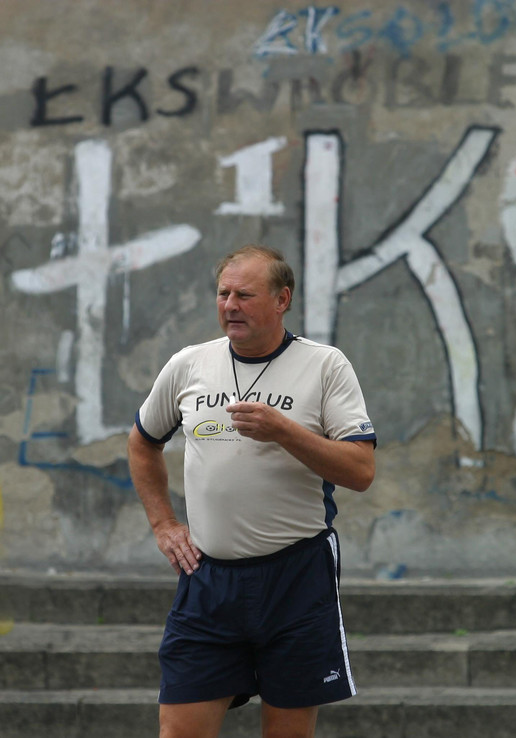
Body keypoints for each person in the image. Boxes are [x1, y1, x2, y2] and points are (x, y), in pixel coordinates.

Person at [127, 245, 376, 738]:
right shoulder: (189, 365)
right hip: (208, 579)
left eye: (245, 294)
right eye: (223, 294)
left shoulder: (325, 366)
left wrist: (285, 431)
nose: (230, 305)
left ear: (282, 299)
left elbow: (361, 470)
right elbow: (141, 444)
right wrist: (163, 524)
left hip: (296, 576)